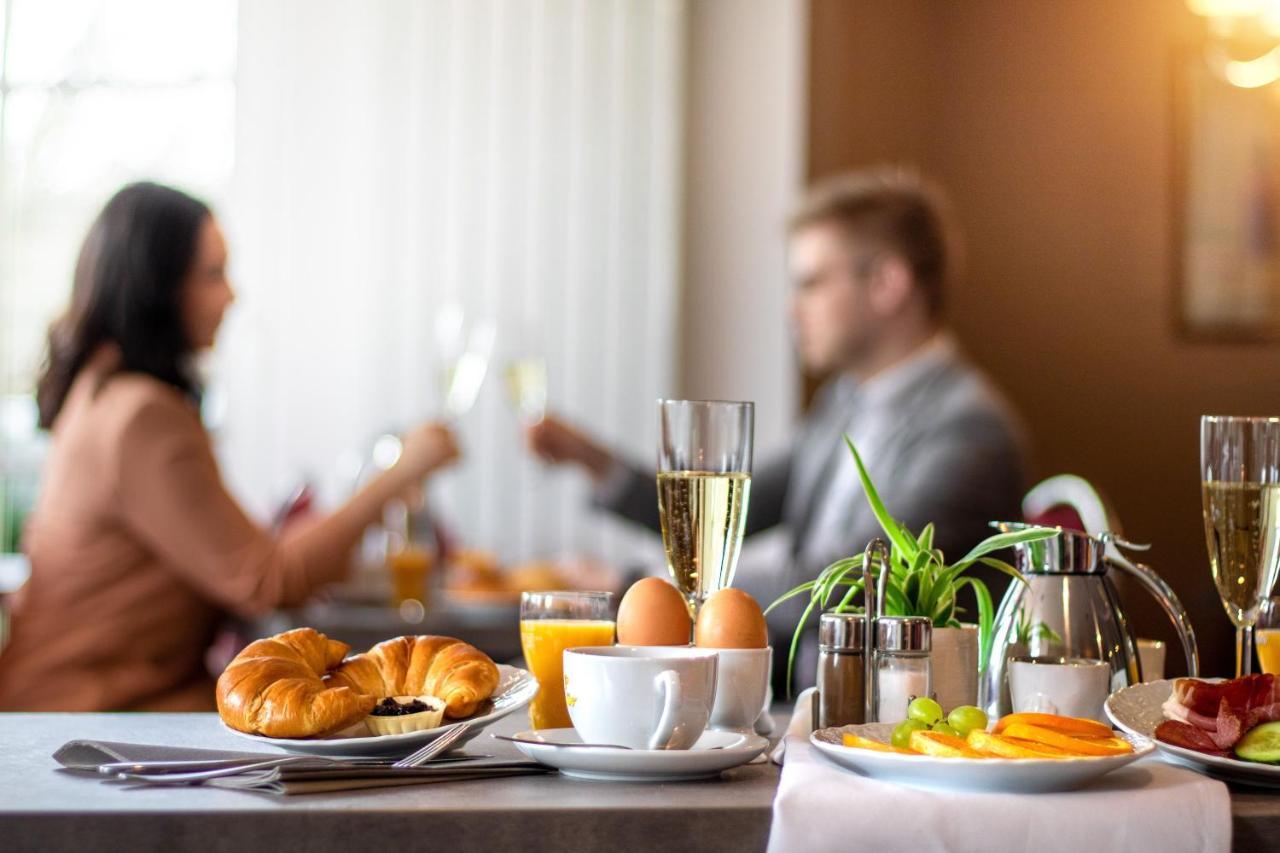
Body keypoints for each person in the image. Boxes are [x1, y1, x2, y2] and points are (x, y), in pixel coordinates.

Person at [528, 168, 1027, 687]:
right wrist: (588, 458)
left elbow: (846, 583)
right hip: (806, 715)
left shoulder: (971, 432)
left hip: (897, 735)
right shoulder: (842, 404)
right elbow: (723, 517)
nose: (792, 311)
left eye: (810, 283)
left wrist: (638, 587)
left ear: (887, 283)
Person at [0, 182, 459, 711]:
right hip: (88, 719)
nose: (231, 296)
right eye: (213, 275)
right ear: (158, 287)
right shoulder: (142, 416)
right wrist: (404, 469)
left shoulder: (101, 391)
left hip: (75, 706)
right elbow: (268, 581)